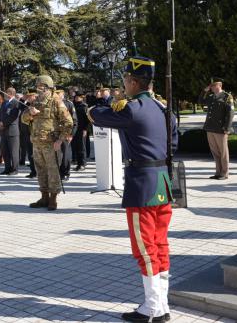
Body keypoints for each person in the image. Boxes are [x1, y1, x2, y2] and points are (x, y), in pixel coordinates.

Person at [88, 56, 176, 323]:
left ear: (133, 81)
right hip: (161, 182)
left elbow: (95, 115)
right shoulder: (163, 109)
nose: (123, 85)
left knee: (145, 247)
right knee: (159, 245)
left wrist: (96, 107)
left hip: (142, 186)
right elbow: (173, 145)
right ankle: (162, 305)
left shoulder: (132, 109)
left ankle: (152, 308)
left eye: (125, 80)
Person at [21, 76, 73, 211]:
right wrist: (30, 114)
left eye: (41, 87)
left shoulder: (56, 101)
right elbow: (24, 119)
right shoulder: (36, 101)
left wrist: (60, 140)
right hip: (37, 142)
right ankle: (44, 197)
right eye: (37, 86)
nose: (38, 89)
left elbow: (68, 123)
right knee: (40, 170)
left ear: (48, 87)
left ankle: (53, 199)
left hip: (51, 143)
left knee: (53, 170)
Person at [199, 77, 234, 180]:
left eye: (214, 85)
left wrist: (227, 128)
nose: (212, 88)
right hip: (210, 128)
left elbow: (230, 113)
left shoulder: (227, 97)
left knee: (223, 152)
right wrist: (204, 91)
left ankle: (224, 173)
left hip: (221, 129)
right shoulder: (211, 97)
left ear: (220, 85)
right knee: (215, 152)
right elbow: (201, 101)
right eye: (211, 86)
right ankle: (218, 172)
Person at [0, 87, 21, 175]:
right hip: (4, 130)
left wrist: (4, 123)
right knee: (5, 150)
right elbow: (1, 113)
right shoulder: (4, 103)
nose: (5, 94)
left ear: (11, 94)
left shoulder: (16, 103)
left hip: (12, 130)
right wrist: (0, 122)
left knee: (13, 151)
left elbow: (14, 117)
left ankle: (15, 169)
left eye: (6, 92)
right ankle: (7, 168)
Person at [56, 90, 75, 182]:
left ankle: (65, 173)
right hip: (55, 133)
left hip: (65, 133)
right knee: (57, 154)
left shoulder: (69, 104)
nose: (56, 95)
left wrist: (71, 134)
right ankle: (58, 173)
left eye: (58, 94)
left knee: (65, 155)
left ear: (62, 95)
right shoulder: (53, 104)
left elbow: (74, 121)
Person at [72, 93, 89, 171]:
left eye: (78, 97)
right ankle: (78, 163)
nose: (76, 98)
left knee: (82, 147)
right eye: (75, 97)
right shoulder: (73, 105)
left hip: (81, 129)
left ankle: (82, 164)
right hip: (74, 128)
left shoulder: (84, 106)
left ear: (82, 98)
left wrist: (85, 129)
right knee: (76, 146)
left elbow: (87, 120)